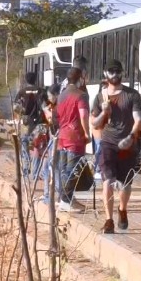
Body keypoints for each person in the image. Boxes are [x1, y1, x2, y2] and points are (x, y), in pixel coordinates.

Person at [89, 60, 141, 234]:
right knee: (108, 180)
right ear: (105, 74)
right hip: (108, 143)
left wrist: (131, 136)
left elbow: (139, 120)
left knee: (125, 183)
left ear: (122, 73)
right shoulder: (100, 97)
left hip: (127, 144)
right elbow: (95, 124)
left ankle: (122, 209)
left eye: (117, 71)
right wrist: (104, 113)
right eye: (111, 71)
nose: (114, 74)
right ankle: (109, 220)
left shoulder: (132, 95)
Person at [55, 67, 90, 212]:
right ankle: (66, 200)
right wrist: (87, 133)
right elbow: (83, 115)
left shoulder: (61, 95)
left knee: (64, 170)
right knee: (72, 170)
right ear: (80, 78)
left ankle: (64, 198)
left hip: (62, 136)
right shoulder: (80, 95)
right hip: (74, 136)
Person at [14, 71, 46, 179]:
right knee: (37, 148)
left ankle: (26, 170)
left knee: (25, 146)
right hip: (38, 124)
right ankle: (35, 173)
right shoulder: (41, 91)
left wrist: (22, 112)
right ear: (35, 79)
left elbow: (15, 107)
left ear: (26, 80)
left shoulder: (22, 92)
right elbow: (45, 106)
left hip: (25, 124)